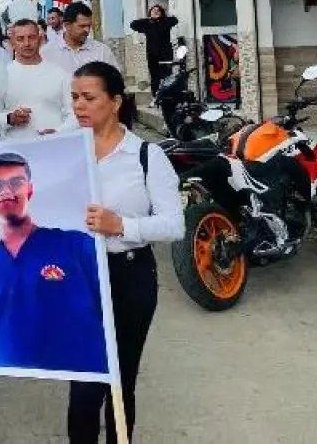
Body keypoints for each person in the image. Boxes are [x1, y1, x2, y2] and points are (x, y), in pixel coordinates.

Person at [67, 61, 182, 443]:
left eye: (89, 98)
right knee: (83, 387)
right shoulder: (64, 148)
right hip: (79, 278)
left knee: (119, 383)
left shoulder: (146, 156)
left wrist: (123, 226)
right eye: (74, 98)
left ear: (115, 102)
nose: (79, 106)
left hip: (130, 275)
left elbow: (173, 224)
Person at [0, 152, 106, 374]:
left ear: (30, 190)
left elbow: (114, 315)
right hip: (1, 398)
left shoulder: (77, 247)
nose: (5, 191)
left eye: (16, 182)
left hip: (73, 393)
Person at [0, 19, 73, 140]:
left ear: (40, 39)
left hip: (54, 147)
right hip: (14, 150)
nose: (27, 43)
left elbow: (73, 112)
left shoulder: (59, 73)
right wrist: (9, 118)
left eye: (31, 37)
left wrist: (59, 132)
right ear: (12, 43)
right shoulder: (1, 75)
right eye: (20, 39)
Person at [43, 2, 121, 74]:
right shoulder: (48, 52)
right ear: (67, 25)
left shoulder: (102, 51)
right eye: (82, 26)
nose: (87, 30)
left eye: (89, 26)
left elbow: (115, 82)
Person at [129, 5, 179, 96]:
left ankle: (167, 96)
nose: (155, 12)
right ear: (150, 13)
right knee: (154, 76)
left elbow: (175, 20)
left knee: (166, 75)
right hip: (152, 54)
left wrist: (161, 19)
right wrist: (149, 20)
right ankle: (155, 97)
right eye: (153, 10)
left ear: (161, 13)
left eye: (158, 11)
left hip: (165, 54)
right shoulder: (147, 24)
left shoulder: (165, 22)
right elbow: (133, 24)